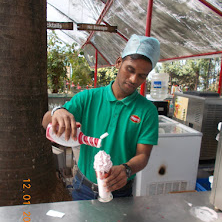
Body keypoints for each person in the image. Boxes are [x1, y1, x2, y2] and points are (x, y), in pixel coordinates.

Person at [42, 34, 160, 200]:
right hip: (84, 187)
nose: (134, 79)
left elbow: (143, 156)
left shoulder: (147, 111)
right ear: (119, 62)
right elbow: (45, 122)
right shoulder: (88, 98)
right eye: (130, 70)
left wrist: (127, 169)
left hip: (120, 191)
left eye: (142, 75)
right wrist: (57, 112)